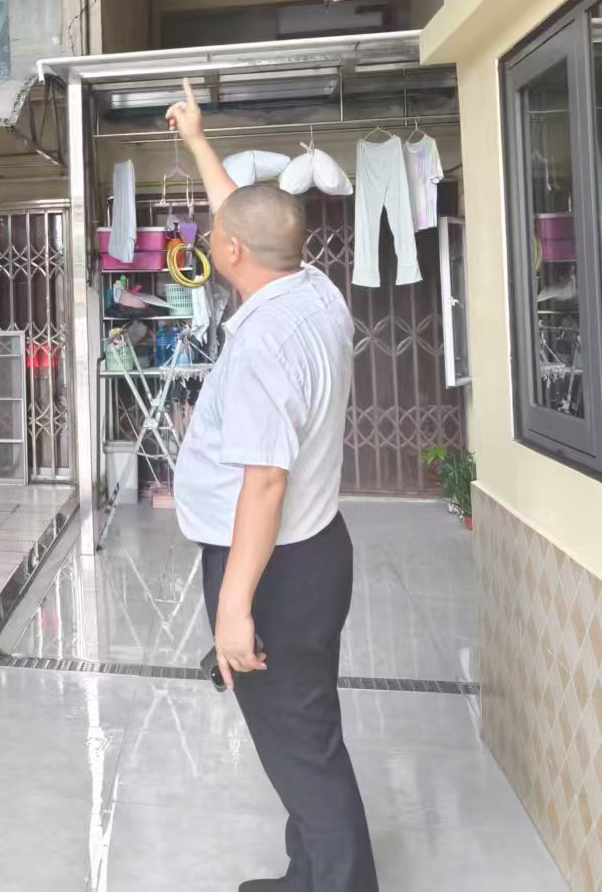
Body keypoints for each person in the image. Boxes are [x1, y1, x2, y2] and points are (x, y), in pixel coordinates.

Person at [166, 80, 379, 892]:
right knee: (303, 731)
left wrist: (232, 608)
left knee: (301, 747)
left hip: (274, 565)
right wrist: (198, 140)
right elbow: (245, 216)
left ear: (229, 255)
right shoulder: (312, 290)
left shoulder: (262, 347)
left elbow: (263, 485)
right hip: (317, 550)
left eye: (217, 239)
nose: (215, 238)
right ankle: (308, 874)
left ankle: (343, 883)